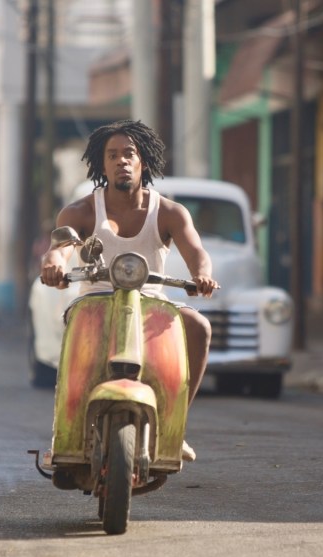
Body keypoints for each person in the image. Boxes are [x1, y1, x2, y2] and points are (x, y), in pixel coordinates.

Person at [39, 119, 217, 462]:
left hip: (151, 302)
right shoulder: (81, 211)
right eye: (113, 155)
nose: (121, 161)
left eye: (129, 154)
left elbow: (197, 253)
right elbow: (58, 246)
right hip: (94, 303)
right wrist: (54, 266)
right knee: (77, 356)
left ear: (143, 161)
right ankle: (65, 434)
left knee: (199, 326)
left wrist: (203, 275)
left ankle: (173, 425)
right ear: (102, 164)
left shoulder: (169, 212)